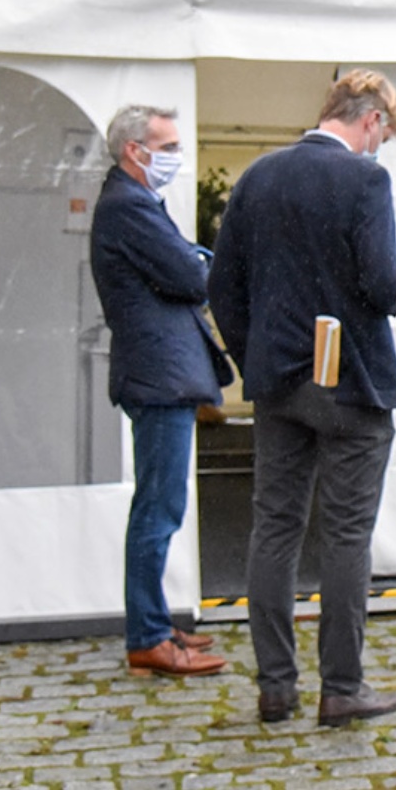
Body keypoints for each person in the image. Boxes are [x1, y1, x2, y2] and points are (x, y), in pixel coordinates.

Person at [207, 69, 396, 726]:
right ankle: (341, 686)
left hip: (276, 384)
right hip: (353, 383)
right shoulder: (366, 180)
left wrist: (252, 354)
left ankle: (275, 684)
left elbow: (221, 284)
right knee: (347, 535)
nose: (382, 145)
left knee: (275, 527)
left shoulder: (259, 176)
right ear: (371, 119)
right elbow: (385, 286)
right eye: (385, 132)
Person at [89, 104, 232, 679]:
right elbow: (194, 276)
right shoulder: (128, 207)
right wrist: (200, 262)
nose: (175, 156)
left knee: (159, 504)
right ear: (134, 150)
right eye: (167, 146)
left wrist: (193, 262)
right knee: (158, 508)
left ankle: (154, 623)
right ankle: (147, 636)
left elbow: (185, 268)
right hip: (158, 376)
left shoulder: (137, 203)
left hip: (158, 373)